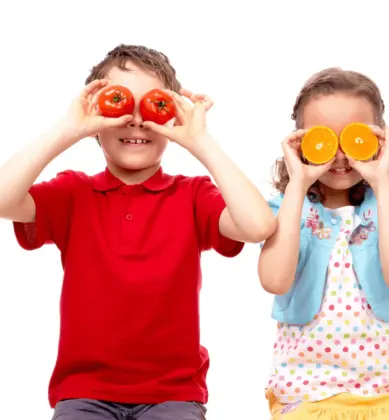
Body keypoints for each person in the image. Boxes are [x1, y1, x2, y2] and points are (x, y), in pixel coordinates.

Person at [0, 44, 276, 420]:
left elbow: (258, 225)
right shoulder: (73, 193)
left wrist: (199, 141)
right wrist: (69, 129)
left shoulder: (192, 195)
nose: (135, 120)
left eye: (152, 105)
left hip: (173, 394)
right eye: (119, 103)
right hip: (85, 392)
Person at [258, 67, 389, 420]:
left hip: (388, 391)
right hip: (304, 391)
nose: (340, 153)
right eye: (323, 138)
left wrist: (381, 184)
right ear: (300, 141)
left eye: (355, 137)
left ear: (380, 138)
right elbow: (274, 280)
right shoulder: (288, 207)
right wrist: (297, 186)